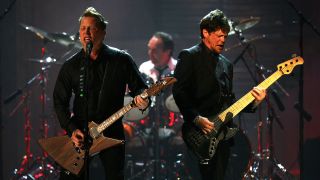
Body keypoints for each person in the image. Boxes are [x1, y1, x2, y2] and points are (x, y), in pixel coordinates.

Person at [53, 7, 149, 180]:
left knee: (114, 176)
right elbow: (59, 101)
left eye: (92, 28)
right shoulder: (71, 65)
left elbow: (141, 88)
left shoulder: (121, 59)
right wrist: (72, 129)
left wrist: (144, 99)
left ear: (103, 32)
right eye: (83, 28)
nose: (86, 32)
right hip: (81, 134)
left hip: (111, 131)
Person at [172, 9, 266, 179]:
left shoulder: (226, 65)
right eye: (218, 35)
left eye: (225, 36)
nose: (223, 40)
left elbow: (230, 102)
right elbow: (179, 92)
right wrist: (196, 118)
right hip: (198, 133)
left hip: (223, 135)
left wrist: (254, 102)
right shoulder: (189, 56)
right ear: (205, 32)